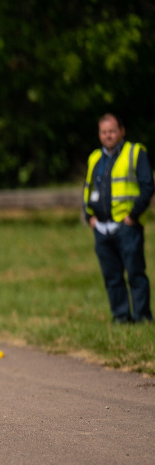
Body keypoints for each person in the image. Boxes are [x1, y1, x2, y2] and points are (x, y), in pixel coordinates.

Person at [83, 113, 153, 323]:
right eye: (104, 132)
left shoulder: (135, 152)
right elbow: (87, 189)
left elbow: (148, 186)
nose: (108, 136)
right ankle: (120, 316)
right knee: (112, 277)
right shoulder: (95, 157)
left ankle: (142, 317)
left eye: (112, 131)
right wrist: (89, 216)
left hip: (126, 226)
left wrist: (133, 216)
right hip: (101, 228)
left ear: (122, 131)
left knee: (135, 273)